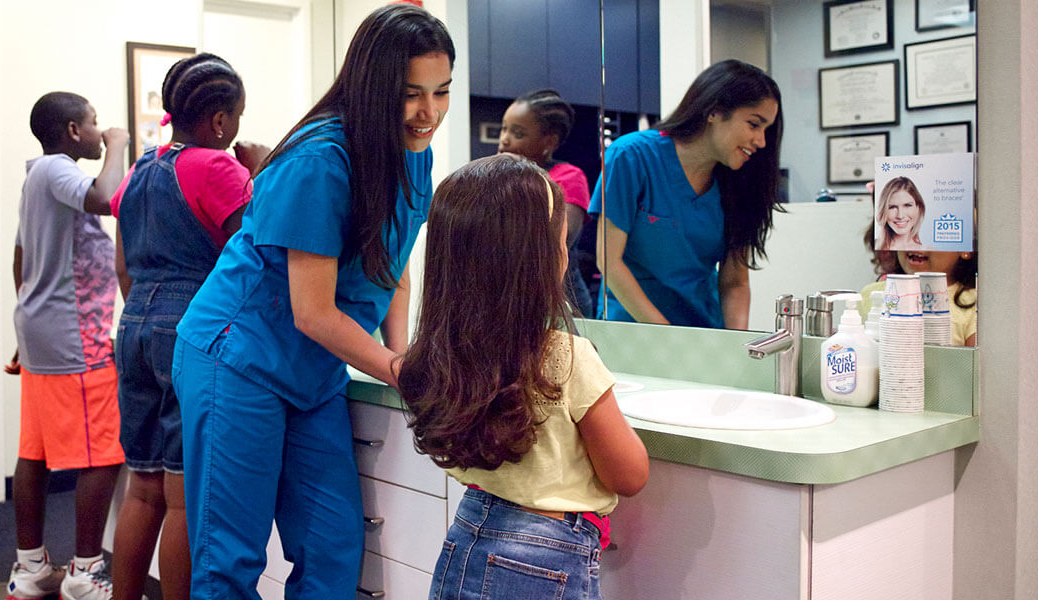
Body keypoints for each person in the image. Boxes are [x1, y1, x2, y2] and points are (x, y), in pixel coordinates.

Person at [169, 5, 454, 598]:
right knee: (230, 561)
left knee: (332, 547)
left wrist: (402, 350)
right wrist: (402, 372)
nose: (429, 112)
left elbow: (391, 269)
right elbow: (313, 310)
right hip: (239, 358)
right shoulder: (321, 159)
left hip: (312, 371)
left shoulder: (414, 156)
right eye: (411, 94)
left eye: (441, 92)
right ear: (376, 88)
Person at [399, 154, 650, 599]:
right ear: (542, 260)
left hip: (466, 537)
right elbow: (629, 476)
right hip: (545, 557)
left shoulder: (444, 356)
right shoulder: (565, 356)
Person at [109, 53, 265, 600]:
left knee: (142, 489)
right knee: (183, 499)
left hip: (132, 328)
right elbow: (252, 250)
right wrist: (259, 171)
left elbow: (123, 264)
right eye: (237, 117)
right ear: (220, 121)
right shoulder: (217, 167)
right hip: (189, 330)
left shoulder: (138, 170)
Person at [5, 91, 127, 600]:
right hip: (77, 341)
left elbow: (20, 256)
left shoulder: (38, 176)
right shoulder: (56, 169)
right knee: (102, 454)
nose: (101, 131)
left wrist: (28, 325)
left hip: (43, 336)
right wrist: (120, 145)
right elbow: (107, 197)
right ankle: (85, 571)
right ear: (74, 132)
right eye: (95, 124)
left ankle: (31, 567)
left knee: (33, 450)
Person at [591, 59, 783, 329]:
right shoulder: (631, 156)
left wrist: (734, 346)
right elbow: (609, 260)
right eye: (754, 124)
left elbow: (735, 282)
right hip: (632, 328)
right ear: (714, 112)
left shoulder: (739, 181)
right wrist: (669, 337)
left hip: (702, 330)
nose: (762, 141)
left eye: (766, 130)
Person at [498, 89, 594, 315]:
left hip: (562, 305)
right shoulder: (495, 180)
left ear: (548, 142)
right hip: (511, 303)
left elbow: (556, 239)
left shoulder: (569, 177)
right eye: (504, 128)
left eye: (518, 133)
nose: (504, 139)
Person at [860, 250, 977, 346]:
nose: (917, 240)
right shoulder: (872, 294)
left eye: (932, 229)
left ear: (965, 249)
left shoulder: (975, 302)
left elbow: (976, 368)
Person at [875, 176, 926, 250]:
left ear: (918, 208)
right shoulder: (873, 245)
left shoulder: (929, 251)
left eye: (907, 205)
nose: (900, 216)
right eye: (892, 207)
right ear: (883, 210)